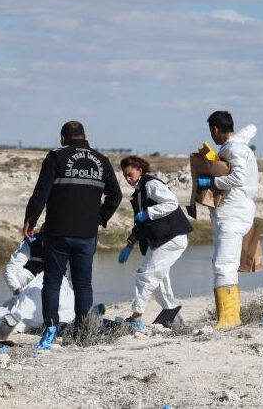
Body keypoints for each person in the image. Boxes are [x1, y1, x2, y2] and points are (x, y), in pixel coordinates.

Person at [23, 121, 122, 350]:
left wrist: (31, 219)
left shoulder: (55, 157)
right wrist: (99, 218)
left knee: (52, 282)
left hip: (57, 231)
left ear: (62, 138)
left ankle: (50, 329)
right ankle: (84, 332)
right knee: (83, 284)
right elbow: (116, 196)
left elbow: (41, 192)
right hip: (87, 233)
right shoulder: (101, 160)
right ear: (85, 136)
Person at [198, 111, 258, 329]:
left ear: (215, 129)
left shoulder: (234, 149)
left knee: (224, 264)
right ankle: (229, 316)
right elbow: (248, 132)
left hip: (232, 214)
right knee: (225, 263)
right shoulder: (236, 146)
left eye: (210, 130)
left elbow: (238, 177)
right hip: (234, 212)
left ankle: (229, 318)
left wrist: (213, 182)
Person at [117, 156, 192, 330]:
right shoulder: (139, 192)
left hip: (171, 237)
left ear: (140, 170)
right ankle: (173, 317)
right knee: (159, 279)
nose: (128, 179)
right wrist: (130, 243)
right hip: (162, 239)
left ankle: (136, 318)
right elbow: (140, 223)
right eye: (125, 175)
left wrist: (149, 212)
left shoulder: (151, 184)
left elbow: (171, 203)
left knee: (146, 275)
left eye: (130, 174)